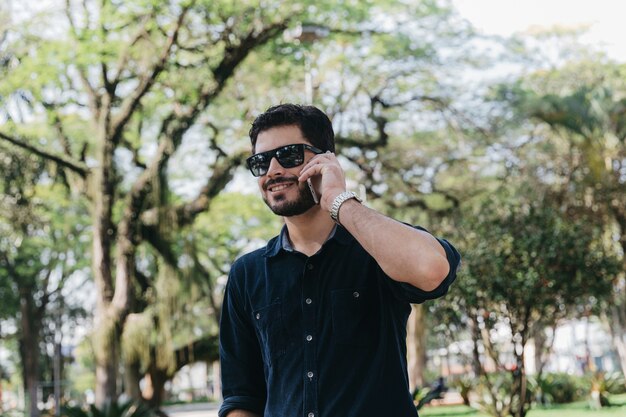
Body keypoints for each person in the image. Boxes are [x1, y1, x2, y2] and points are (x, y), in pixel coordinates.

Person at [218, 104, 461, 417]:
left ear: (325, 160)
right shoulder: (246, 274)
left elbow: (433, 270)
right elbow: (241, 396)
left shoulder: (376, 249)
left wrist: (336, 199)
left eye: (289, 155)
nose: (273, 170)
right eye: (261, 162)